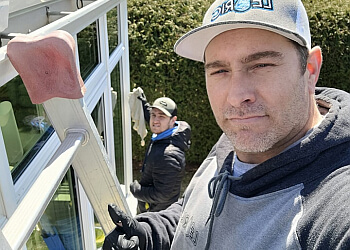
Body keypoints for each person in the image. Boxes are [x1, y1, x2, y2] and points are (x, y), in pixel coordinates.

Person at [103, 0, 350, 249]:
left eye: (261, 65)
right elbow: (200, 209)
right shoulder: (238, 135)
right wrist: (151, 234)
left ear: (310, 69)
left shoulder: (336, 206)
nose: (235, 96)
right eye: (220, 70)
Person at [130, 94, 191, 213]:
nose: (155, 121)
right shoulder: (170, 131)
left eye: (162, 116)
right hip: (154, 206)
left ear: (173, 120)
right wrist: (144, 104)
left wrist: (136, 190)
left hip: (159, 213)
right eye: (154, 115)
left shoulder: (168, 155)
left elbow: (162, 195)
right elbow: (153, 118)